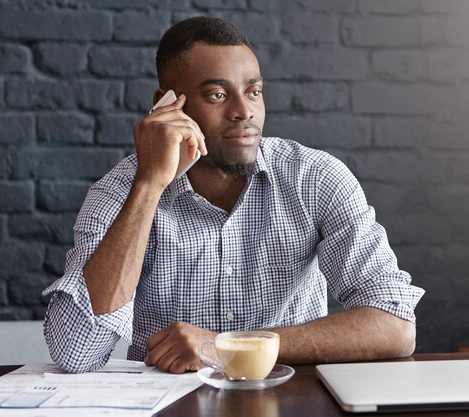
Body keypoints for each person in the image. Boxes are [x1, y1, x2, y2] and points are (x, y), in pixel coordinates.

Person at [43, 16, 424, 374]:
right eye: (217, 94)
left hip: (292, 403)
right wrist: (148, 186)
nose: (244, 112)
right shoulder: (121, 191)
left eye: (253, 91)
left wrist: (229, 346)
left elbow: (395, 327)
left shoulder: (315, 179)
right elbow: (77, 353)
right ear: (167, 103)